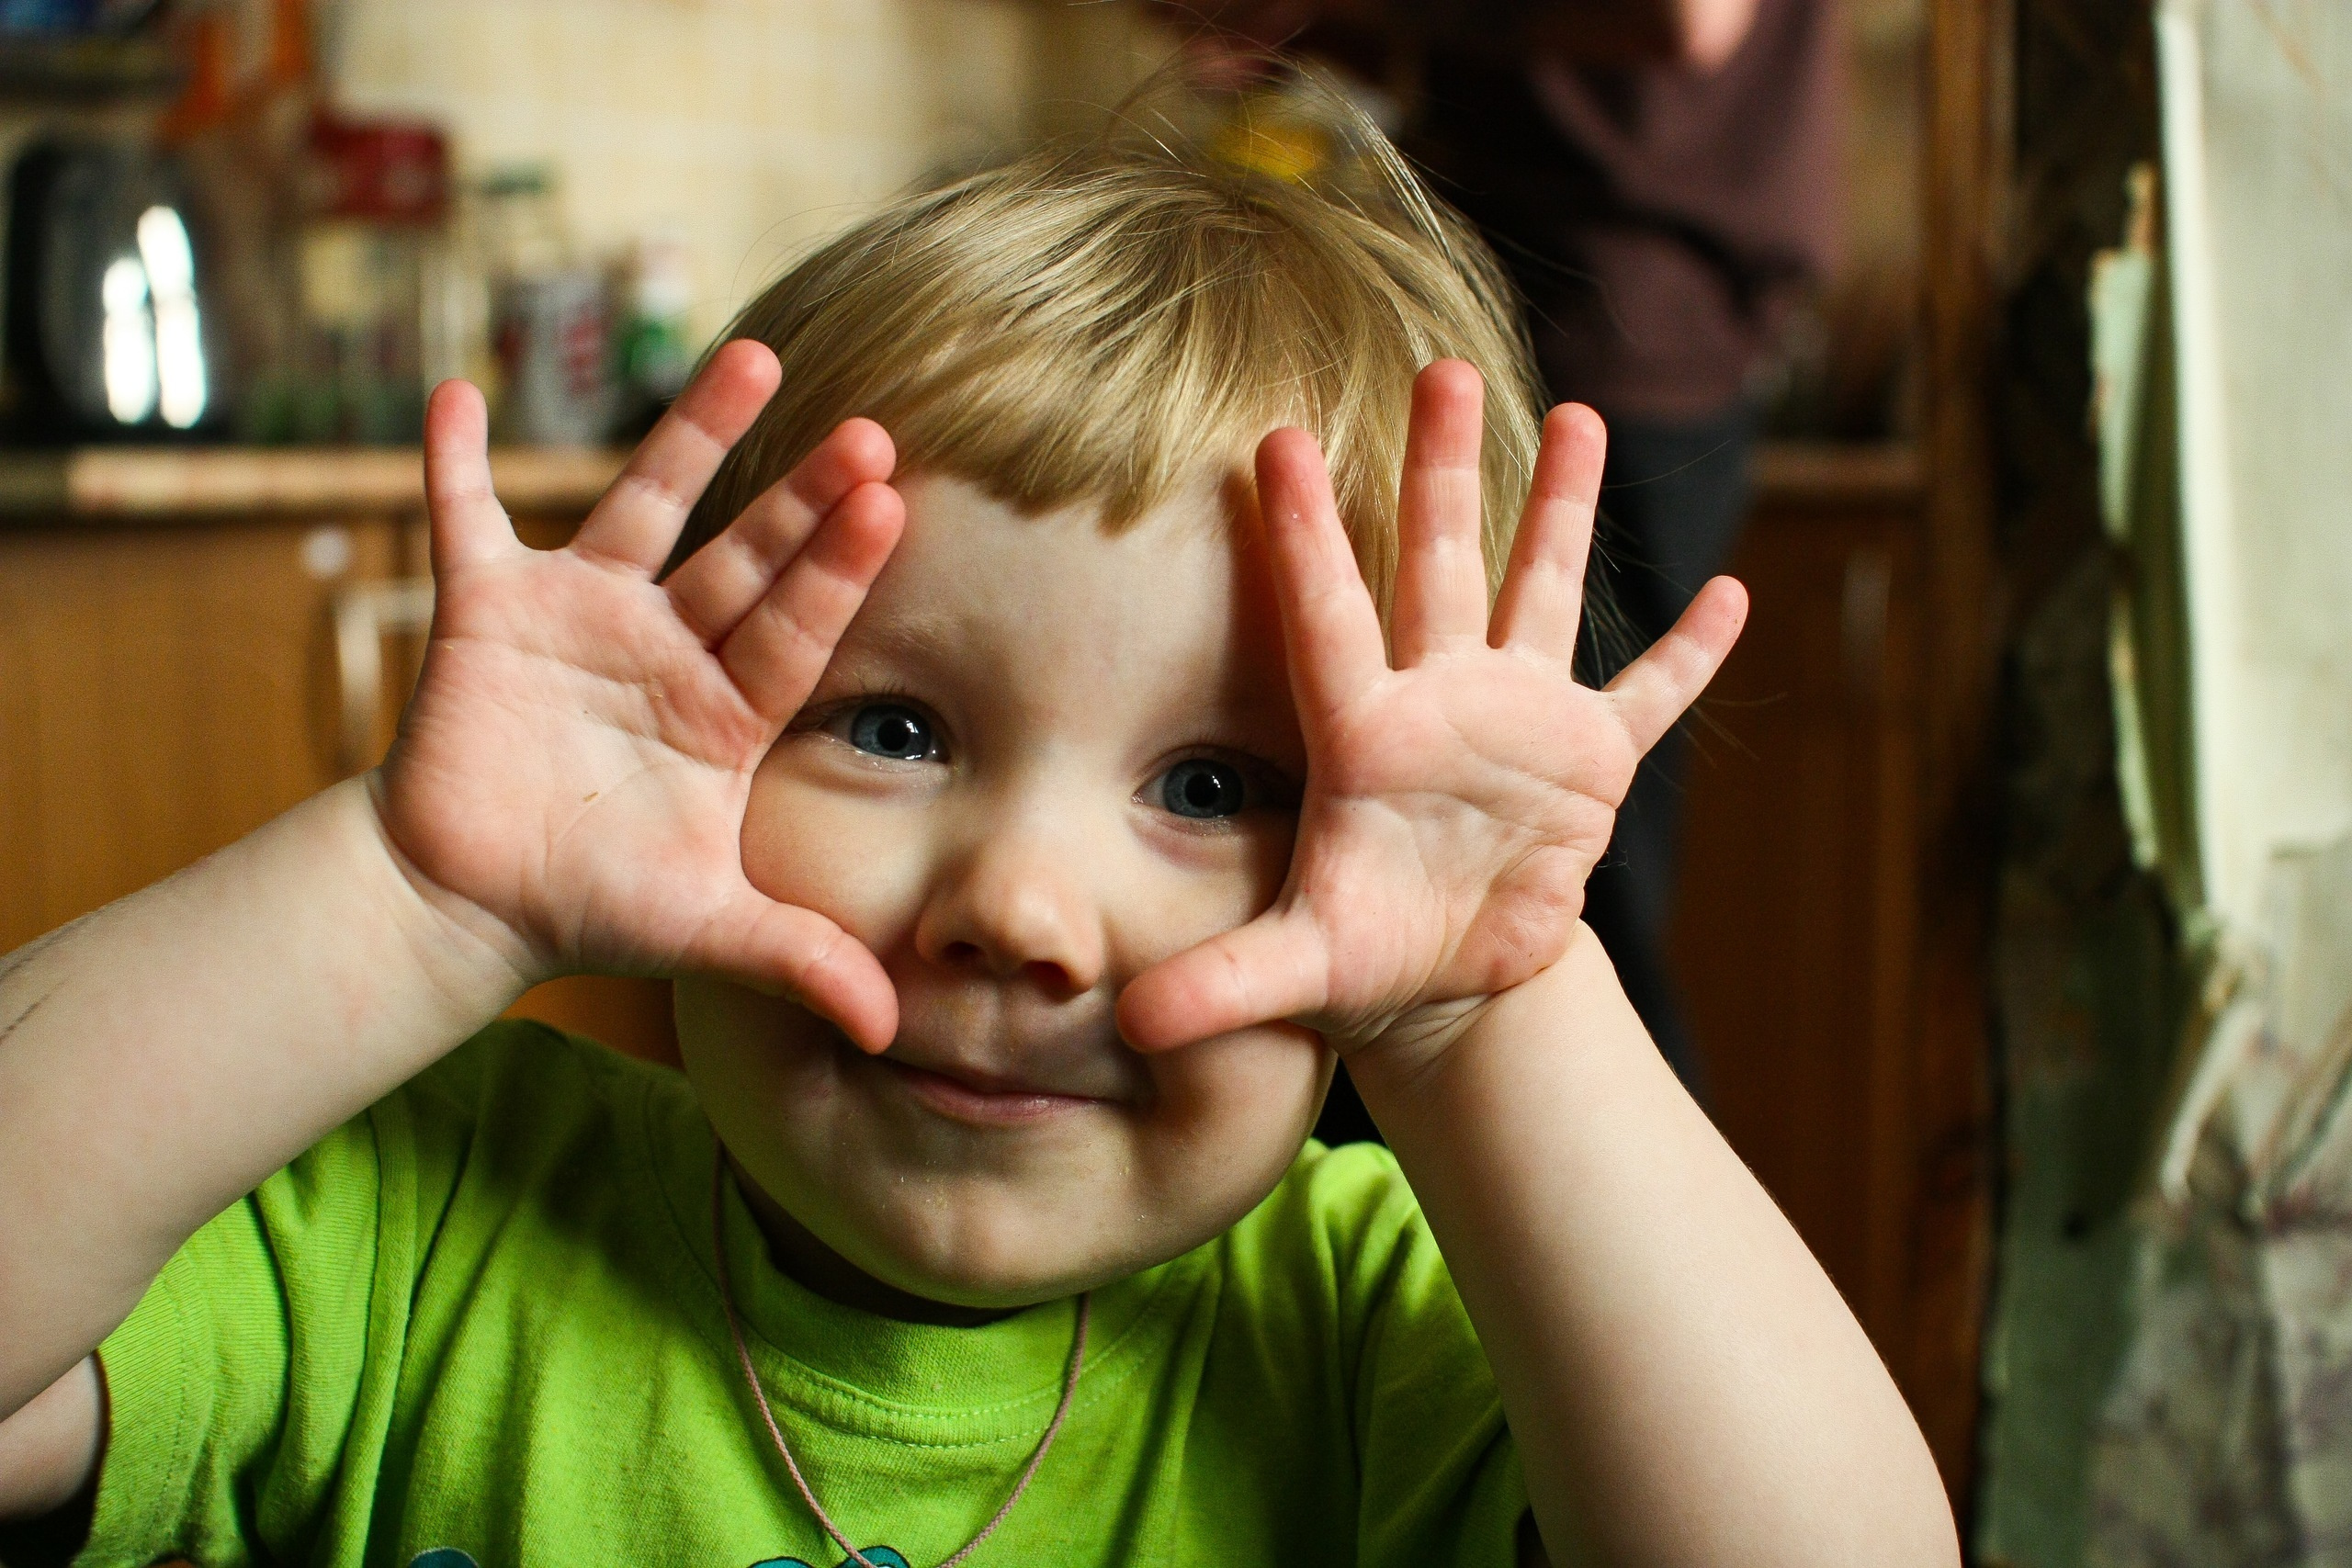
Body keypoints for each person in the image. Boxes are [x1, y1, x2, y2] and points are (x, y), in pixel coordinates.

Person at [0, 111, 1950, 1568]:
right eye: (895, 726)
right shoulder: (410, 1222)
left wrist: (1485, 1016)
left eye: (1212, 785)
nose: (1016, 913)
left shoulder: (1366, 1328)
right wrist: (415, 896)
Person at [1173, 1, 1839, 1096]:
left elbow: (1683, 21)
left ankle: (1593, 1250)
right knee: (1484, 872)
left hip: (1607, 311)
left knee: (1548, 903)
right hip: (1557, 293)